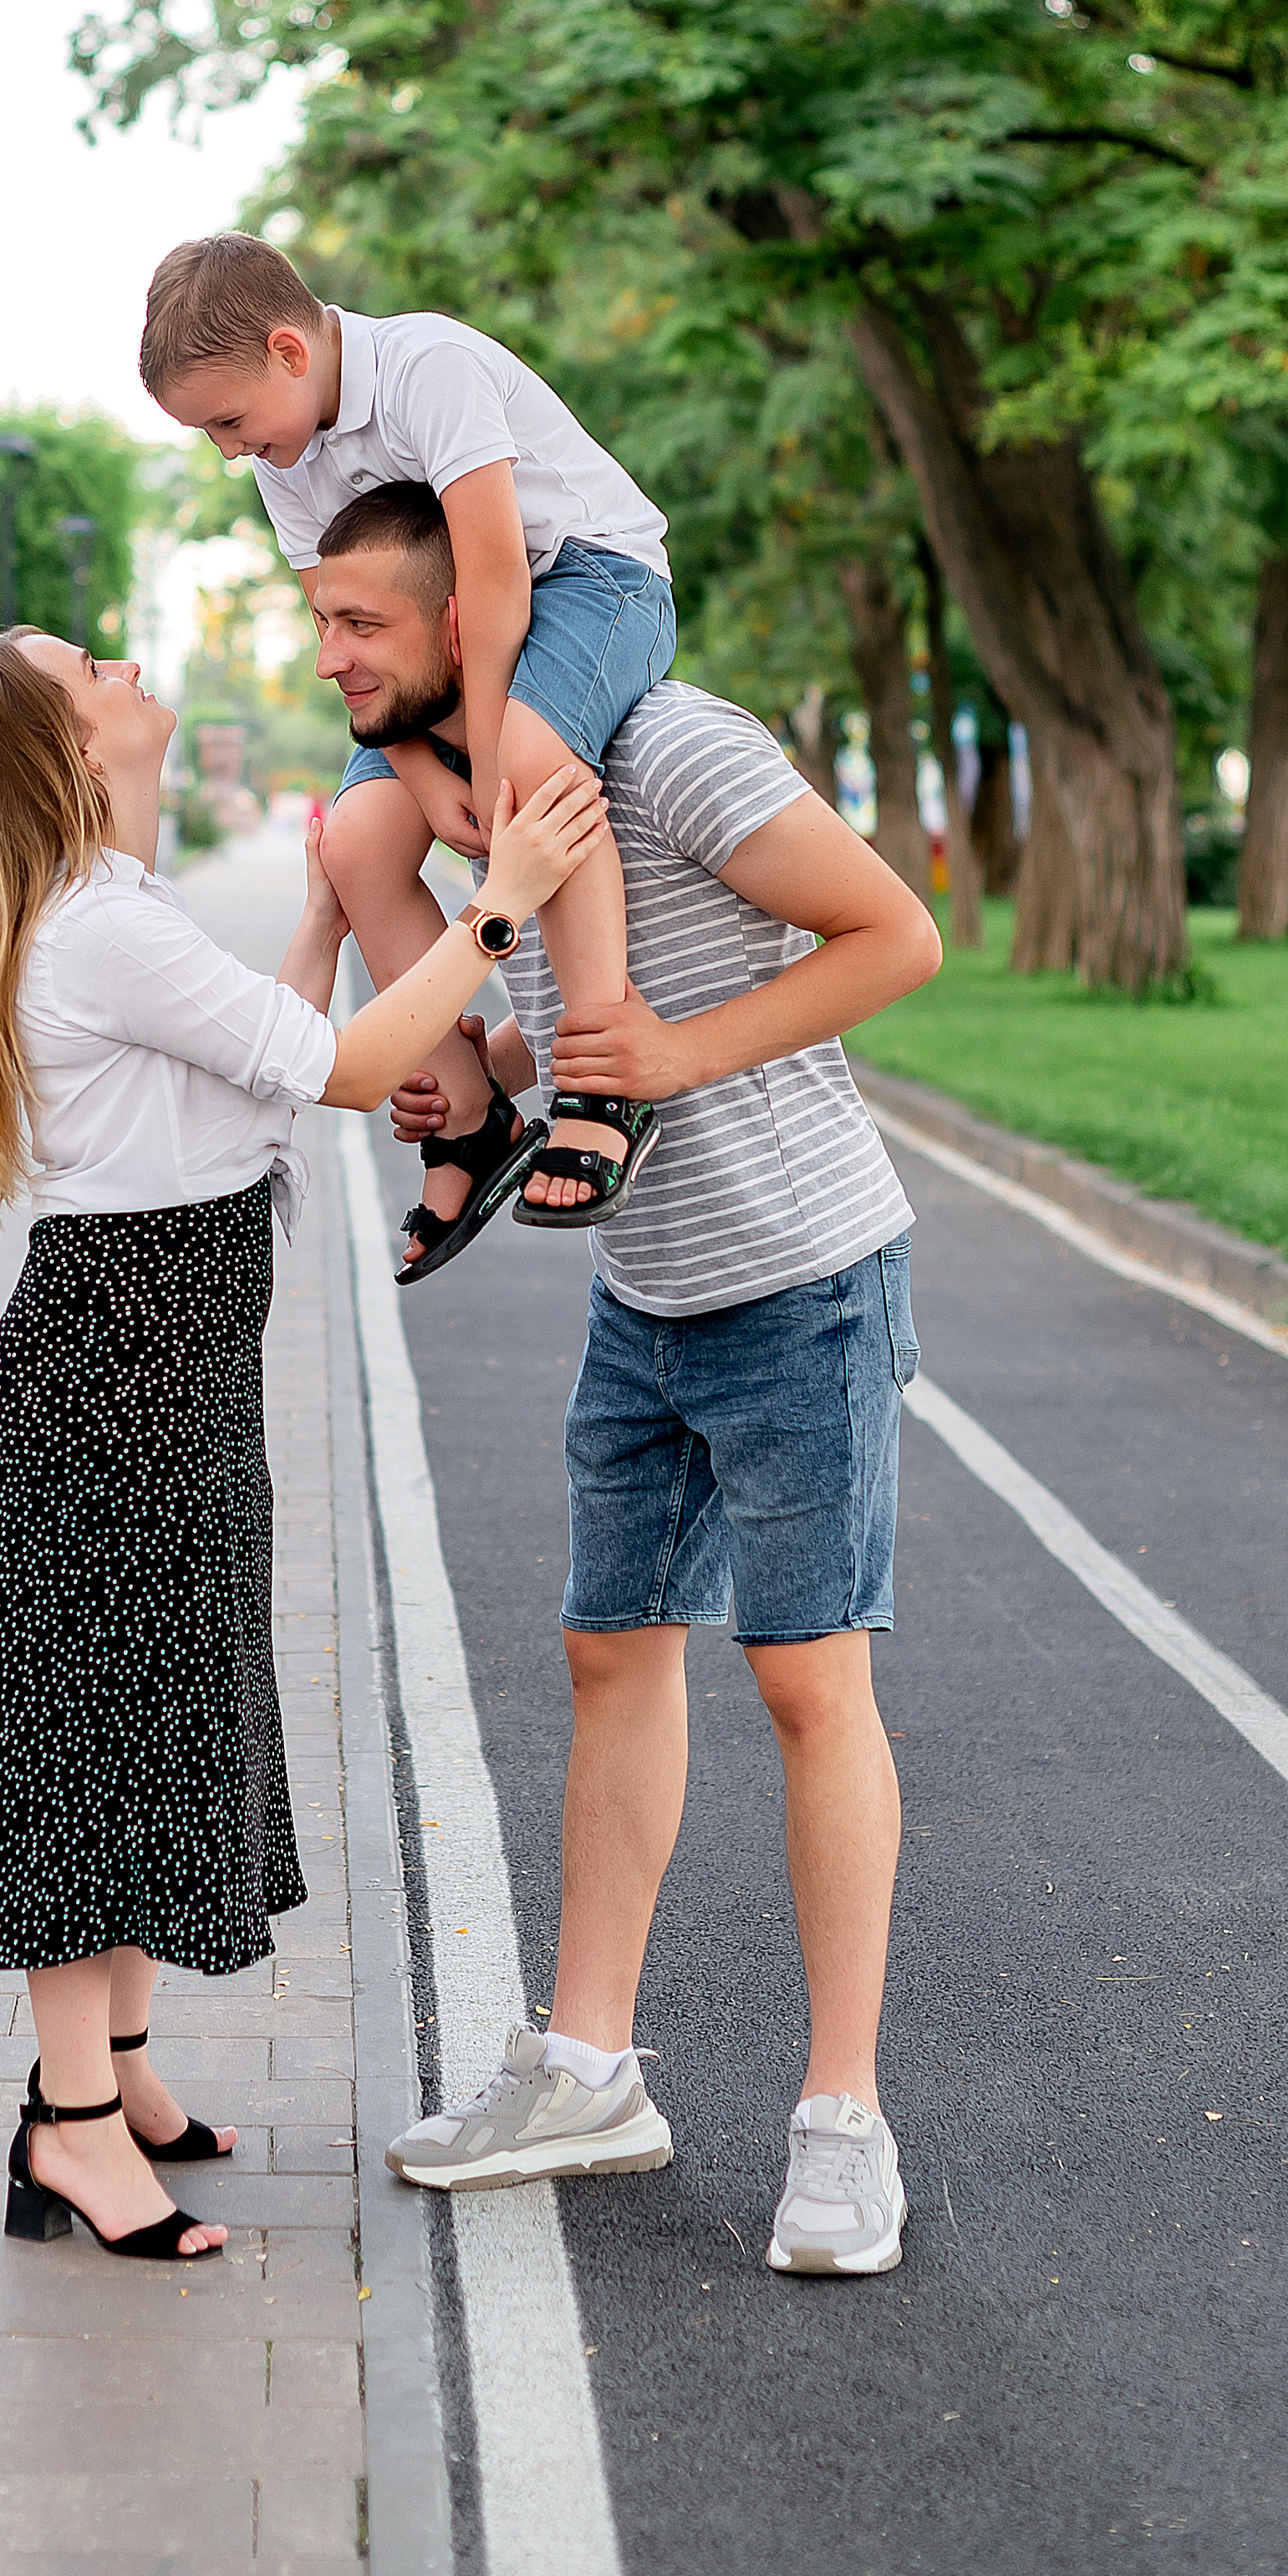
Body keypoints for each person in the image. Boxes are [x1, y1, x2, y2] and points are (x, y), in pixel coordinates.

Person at [298, 494, 944, 2274]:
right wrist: (487, 1069)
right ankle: (587, 2069)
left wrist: (663, 1053)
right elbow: (566, 1008)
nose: (331, 656)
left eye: (361, 623)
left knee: (807, 1688)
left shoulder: (669, 746)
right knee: (610, 1653)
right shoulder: (447, 796)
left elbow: (893, 938)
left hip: (800, 1275)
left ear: (466, 623)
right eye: (320, 621)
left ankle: (840, 2122)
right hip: (645, 1290)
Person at [0, 628, 605, 2266]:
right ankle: (70, 2131)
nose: (125, 660)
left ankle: (123, 2077)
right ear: (70, 754)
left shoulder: (117, 920)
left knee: (146, 1725)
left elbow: (262, 1078)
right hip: (117, 1370)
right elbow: (355, 1067)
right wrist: (496, 908)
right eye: (88, 666)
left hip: (164, 1361)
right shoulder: (95, 931)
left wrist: (313, 915)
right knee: (84, 1756)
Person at [140, 232, 679, 1279]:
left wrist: (483, 764)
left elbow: (491, 581)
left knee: (527, 768)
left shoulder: (427, 369)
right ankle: (468, 1118)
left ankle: (603, 1079)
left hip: (577, 580)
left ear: (291, 353)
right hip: (425, 639)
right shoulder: (283, 455)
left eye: (227, 420)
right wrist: (424, 778)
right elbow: (349, 637)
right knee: (355, 840)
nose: (226, 450)